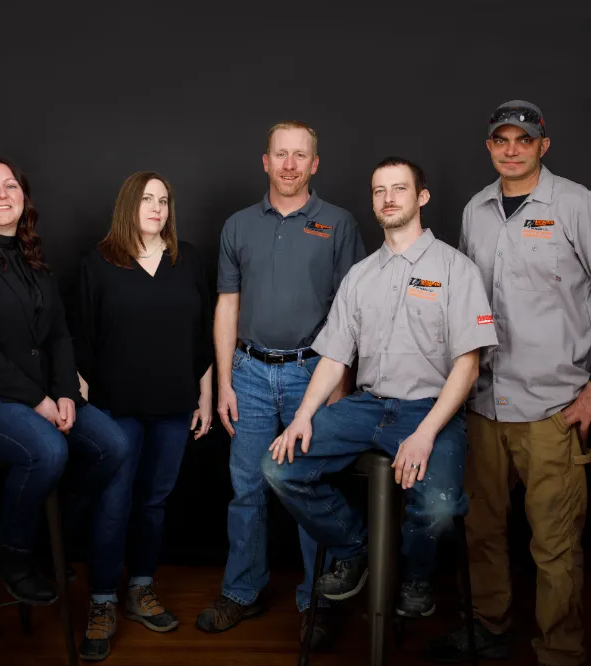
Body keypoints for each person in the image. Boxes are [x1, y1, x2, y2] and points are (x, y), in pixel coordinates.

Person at [427, 101, 591, 666]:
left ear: (543, 145)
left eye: (523, 139)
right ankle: (489, 627)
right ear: (489, 147)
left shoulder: (579, 205)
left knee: (554, 546)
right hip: (481, 405)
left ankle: (559, 650)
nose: (512, 149)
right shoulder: (476, 210)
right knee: (480, 533)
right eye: (501, 140)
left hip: (554, 407)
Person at [262, 156, 499, 618]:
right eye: (379, 191)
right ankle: (356, 549)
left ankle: (414, 576)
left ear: (421, 197)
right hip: (366, 407)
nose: (388, 198)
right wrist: (304, 417)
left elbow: (468, 366)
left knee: (439, 508)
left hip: (430, 408)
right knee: (279, 469)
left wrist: (426, 433)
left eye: (399, 189)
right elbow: (334, 358)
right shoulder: (361, 275)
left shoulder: (456, 269)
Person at [0, 157, 131, 630]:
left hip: (32, 394)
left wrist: (63, 394)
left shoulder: (34, 261)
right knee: (47, 447)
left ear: (24, 197)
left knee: (112, 445)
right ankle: (11, 553)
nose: (2, 195)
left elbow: (59, 336)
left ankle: (39, 539)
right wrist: (38, 402)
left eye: (10, 185)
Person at [195, 121, 366, 649]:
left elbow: (350, 312)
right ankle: (241, 591)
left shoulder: (338, 224)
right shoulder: (238, 225)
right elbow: (228, 305)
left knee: (304, 488)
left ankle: (317, 603)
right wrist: (224, 382)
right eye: (280, 155)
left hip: (310, 374)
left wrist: (338, 387)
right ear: (265, 161)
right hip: (246, 372)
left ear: (315, 164)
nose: (290, 165)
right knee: (246, 487)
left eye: (300, 156)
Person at [72, 170, 214, 660]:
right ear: (128, 205)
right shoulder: (98, 263)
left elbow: (203, 340)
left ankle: (140, 587)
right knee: (115, 501)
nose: (157, 207)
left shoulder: (187, 259)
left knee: (154, 501)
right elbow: (82, 343)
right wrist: (87, 410)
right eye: (147, 199)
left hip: (175, 405)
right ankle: (103, 600)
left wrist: (207, 397)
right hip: (117, 407)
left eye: (165, 200)